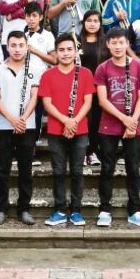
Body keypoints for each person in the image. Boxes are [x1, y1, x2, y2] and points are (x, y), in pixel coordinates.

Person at [39, 34, 96, 226]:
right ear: (56, 52)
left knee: (78, 171)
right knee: (59, 171)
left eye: (69, 49)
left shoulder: (86, 73)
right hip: (56, 130)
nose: (65, 53)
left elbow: (88, 102)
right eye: (61, 50)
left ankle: (76, 211)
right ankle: (60, 210)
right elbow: (47, 104)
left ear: (75, 51)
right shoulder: (48, 75)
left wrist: (74, 122)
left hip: (80, 130)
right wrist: (66, 121)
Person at [94, 28, 140, 227]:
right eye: (113, 43)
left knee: (133, 168)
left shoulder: (139, 67)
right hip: (108, 126)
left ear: (128, 44)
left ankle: (135, 210)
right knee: (107, 168)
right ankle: (104, 209)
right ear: (107, 44)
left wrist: (132, 121)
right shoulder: (102, 68)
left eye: (121, 42)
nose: (118, 46)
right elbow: (102, 100)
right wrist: (123, 119)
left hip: (133, 125)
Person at [0, 31, 42, 226]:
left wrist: (22, 118)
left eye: (21, 45)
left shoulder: (35, 68)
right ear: (7, 46)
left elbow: (34, 96)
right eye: (13, 45)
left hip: (27, 126)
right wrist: (12, 119)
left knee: (25, 170)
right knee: (2, 170)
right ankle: (1, 209)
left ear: (26, 45)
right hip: (4, 127)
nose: (17, 49)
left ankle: (24, 209)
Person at [77, 9, 104, 167]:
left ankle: (93, 152)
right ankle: (81, 152)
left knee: (96, 121)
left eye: (96, 21)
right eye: (89, 20)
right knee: (84, 120)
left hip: (100, 87)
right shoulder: (77, 41)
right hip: (82, 87)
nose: (92, 24)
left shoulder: (105, 41)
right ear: (84, 22)